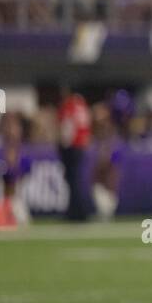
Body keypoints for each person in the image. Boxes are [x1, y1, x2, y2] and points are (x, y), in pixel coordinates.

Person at [56, 84, 91, 221]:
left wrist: (63, 145)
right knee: (77, 180)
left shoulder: (69, 105)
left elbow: (67, 126)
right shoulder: (82, 105)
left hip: (72, 146)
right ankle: (78, 211)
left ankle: (76, 213)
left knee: (72, 181)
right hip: (81, 146)